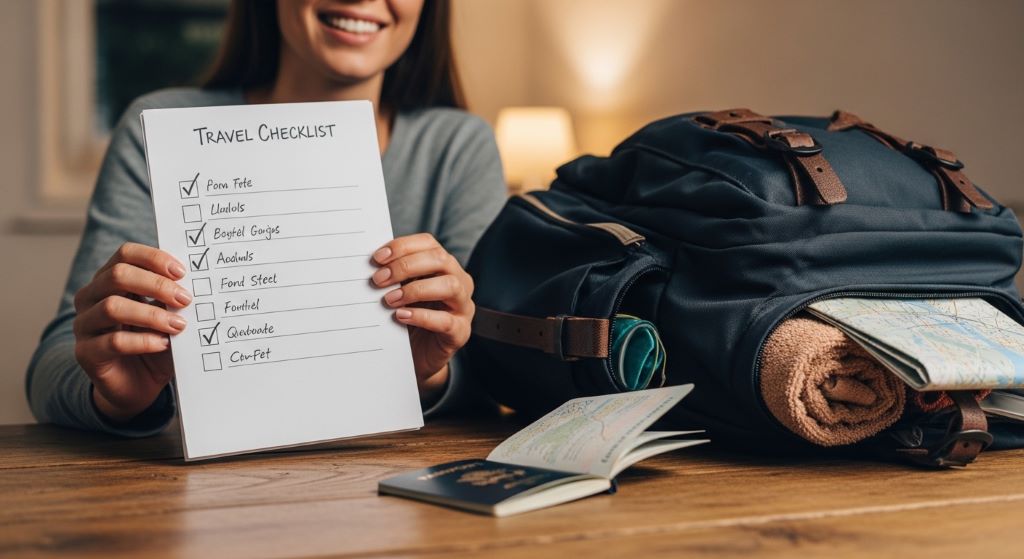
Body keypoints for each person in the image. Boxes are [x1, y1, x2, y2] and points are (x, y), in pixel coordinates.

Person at [26, 0, 506, 436]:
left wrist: (428, 374)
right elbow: (52, 367)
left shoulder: (458, 147)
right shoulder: (156, 128)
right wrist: (115, 397)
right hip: (185, 492)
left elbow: (499, 372)